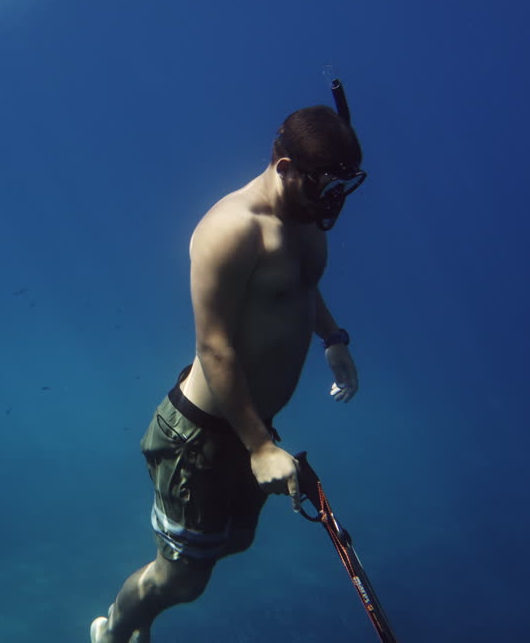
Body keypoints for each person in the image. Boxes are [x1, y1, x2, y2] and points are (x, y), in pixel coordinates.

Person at [90, 102, 366, 643]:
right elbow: (214, 347)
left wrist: (332, 338)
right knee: (182, 578)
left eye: (340, 184)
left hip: (249, 428)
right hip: (201, 435)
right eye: (320, 183)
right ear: (285, 167)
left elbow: (300, 285)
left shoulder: (304, 216)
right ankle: (114, 629)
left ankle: (141, 611)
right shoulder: (230, 230)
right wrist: (260, 446)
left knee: (229, 545)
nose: (328, 198)